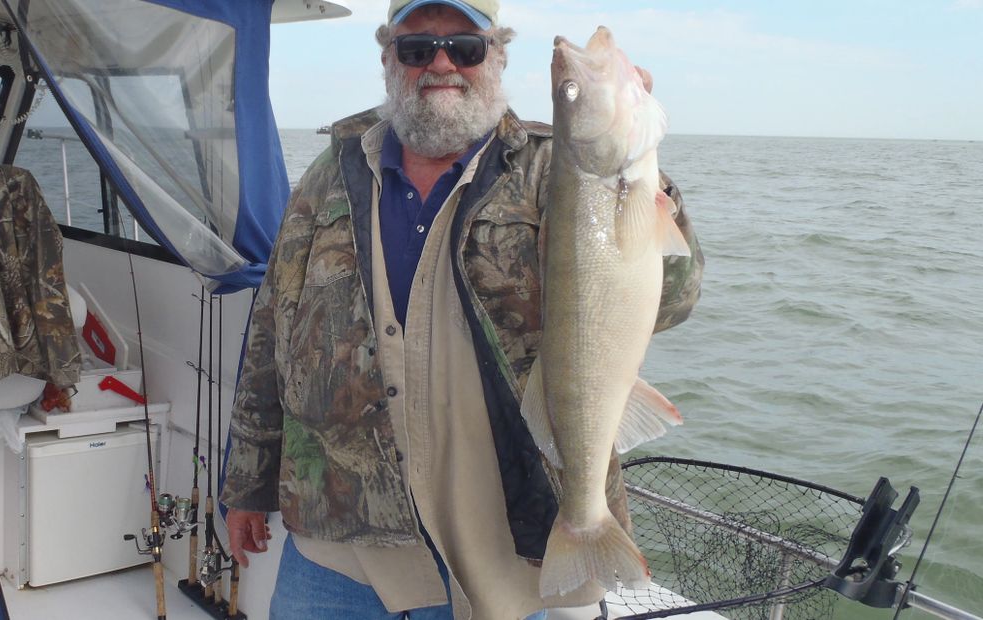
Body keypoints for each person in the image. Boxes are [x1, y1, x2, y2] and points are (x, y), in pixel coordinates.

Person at [222, 1, 704, 618]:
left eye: (466, 48)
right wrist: (247, 484)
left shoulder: (553, 167)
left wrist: (649, 188)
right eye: (417, 48)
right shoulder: (330, 173)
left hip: (504, 552)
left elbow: (673, 299)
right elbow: (271, 330)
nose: (441, 64)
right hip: (337, 542)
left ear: (497, 56)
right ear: (388, 57)